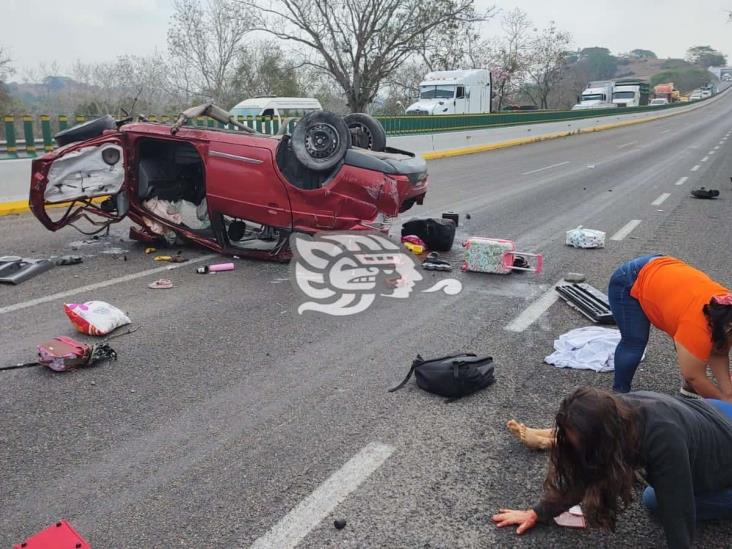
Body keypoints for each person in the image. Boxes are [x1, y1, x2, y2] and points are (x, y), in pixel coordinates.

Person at [493, 387, 732, 549]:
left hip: (724, 450)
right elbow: (585, 474)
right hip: (713, 412)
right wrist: (537, 512)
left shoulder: (663, 441)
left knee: (656, 499)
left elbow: (678, 512)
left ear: (603, 436)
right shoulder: (615, 409)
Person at [607, 255, 732, 399]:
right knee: (634, 342)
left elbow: (719, 351)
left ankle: (691, 390)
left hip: (664, 272)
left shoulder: (725, 311)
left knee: (701, 349)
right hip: (630, 277)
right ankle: (618, 396)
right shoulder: (697, 325)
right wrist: (725, 404)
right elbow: (694, 376)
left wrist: (729, 394)